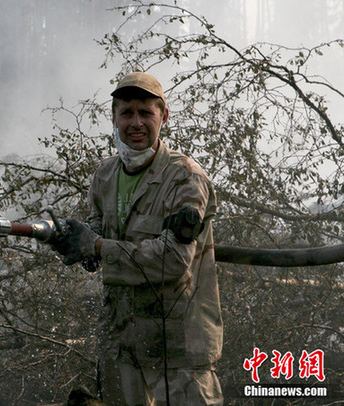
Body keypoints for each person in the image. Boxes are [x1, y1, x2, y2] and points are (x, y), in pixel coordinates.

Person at [50, 72, 223, 405]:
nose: (136, 123)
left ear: (164, 116)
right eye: (127, 113)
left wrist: (97, 246)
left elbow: (172, 261)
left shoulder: (184, 177)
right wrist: (73, 241)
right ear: (113, 118)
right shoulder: (105, 175)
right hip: (121, 344)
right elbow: (97, 238)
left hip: (177, 349)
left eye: (146, 112)